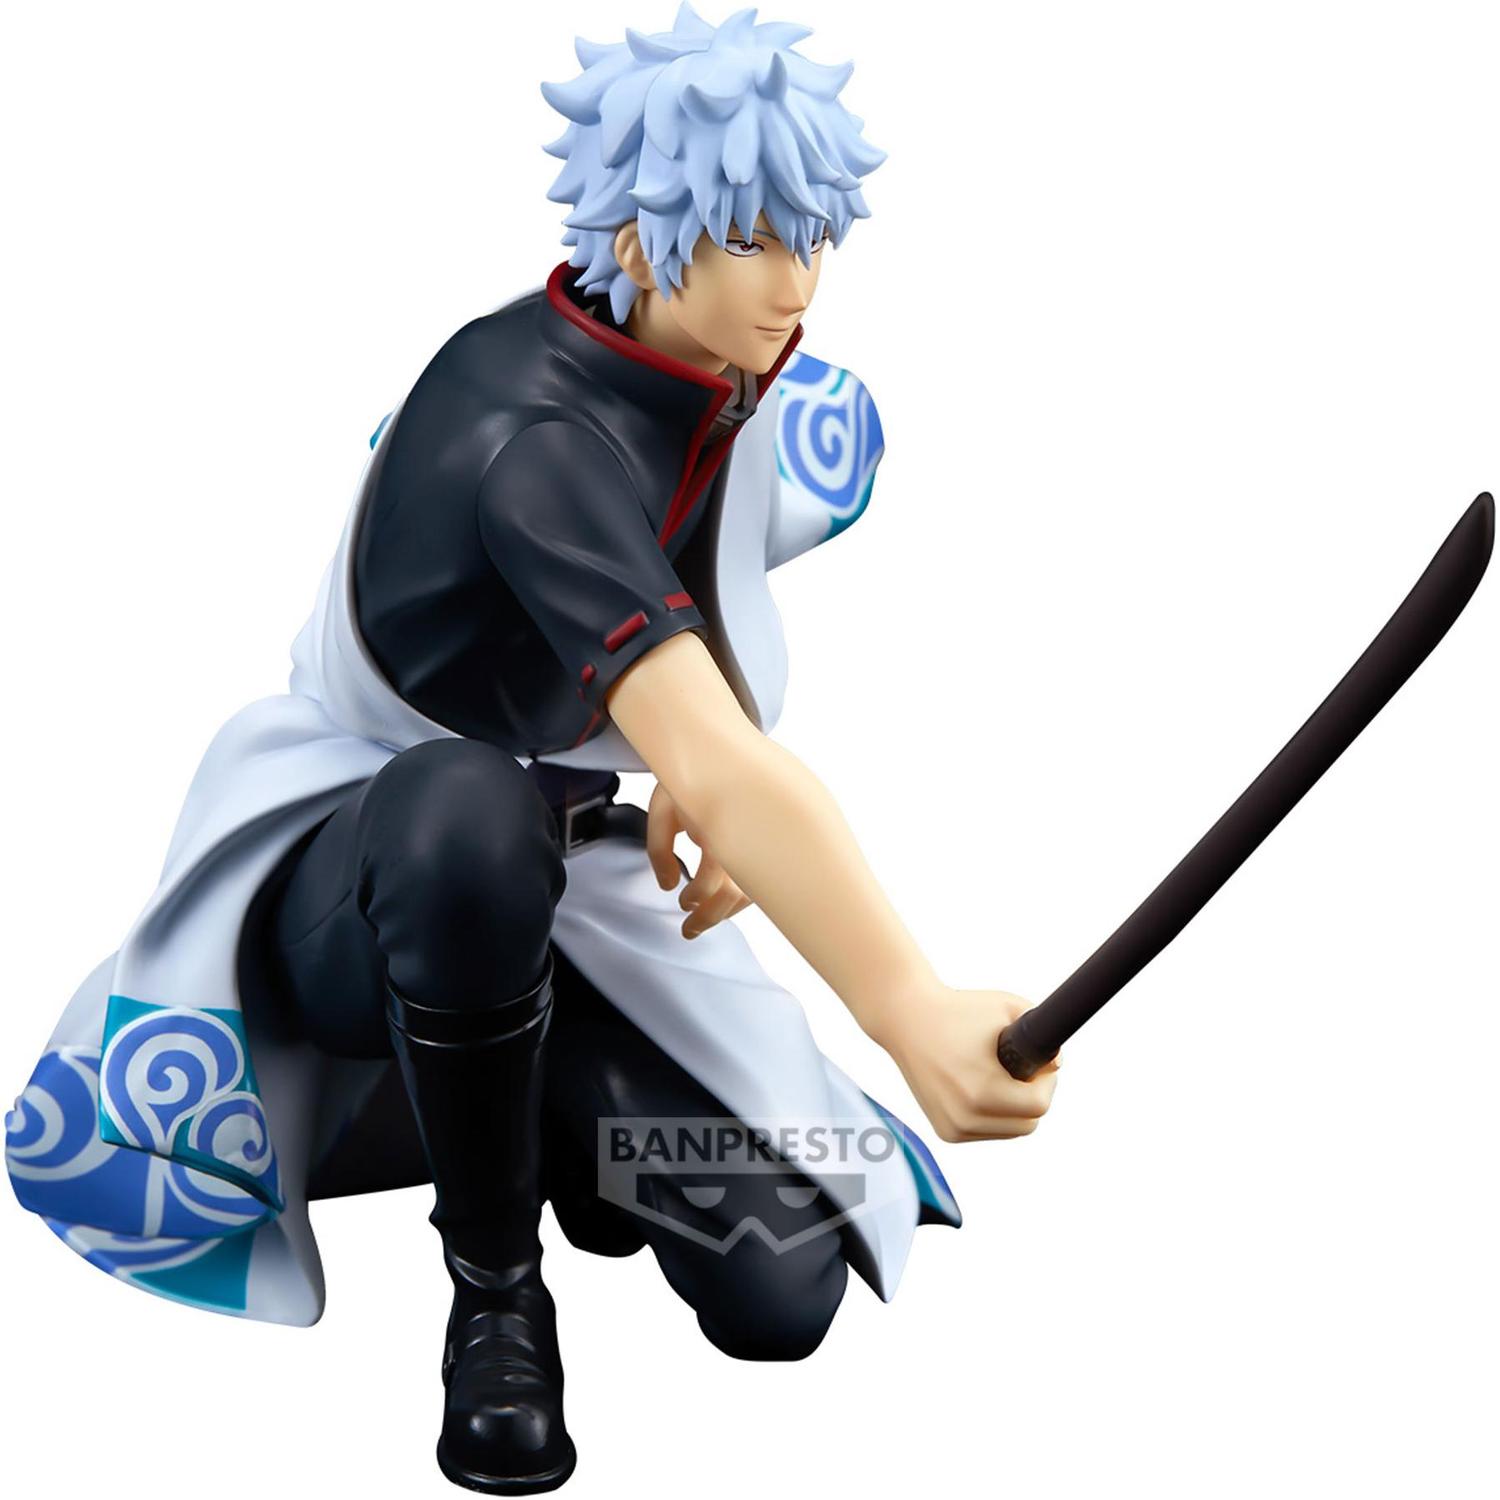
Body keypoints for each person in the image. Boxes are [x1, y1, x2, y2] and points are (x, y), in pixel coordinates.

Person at [6, 8, 1058, 1494]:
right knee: (464, 814)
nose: (796, 284)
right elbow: (701, 728)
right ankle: (495, 1290)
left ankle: (554, 1121)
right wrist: (906, 1005)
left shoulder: (722, 386)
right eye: (749, 239)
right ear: (640, 236)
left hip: (568, 889)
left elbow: (702, 607)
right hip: (356, 877)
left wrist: (692, 760)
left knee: (778, 1281)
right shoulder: (530, 432)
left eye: (813, 238)